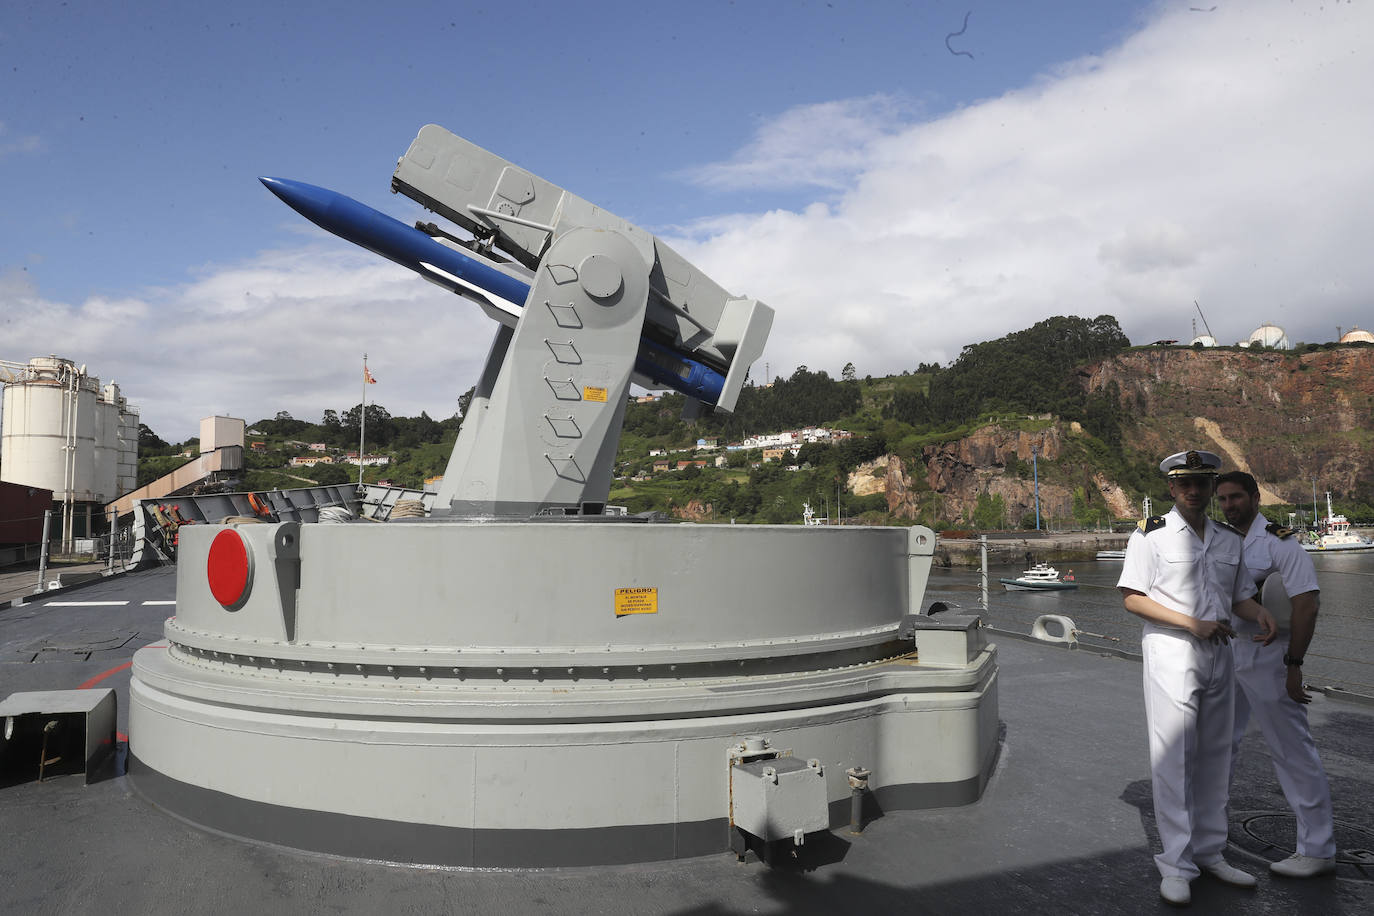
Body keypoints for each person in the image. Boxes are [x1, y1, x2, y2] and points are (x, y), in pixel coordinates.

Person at [1118, 449, 1277, 906]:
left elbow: (1240, 597)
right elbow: (1132, 597)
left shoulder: (1229, 540)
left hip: (1218, 652)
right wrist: (1191, 623)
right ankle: (1176, 862)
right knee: (1174, 757)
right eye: (1184, 483)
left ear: (1211, 488)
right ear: (1171, 488)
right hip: (1172, 651)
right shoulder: (1150, 535)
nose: (1194, 491)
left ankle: (1210, 851)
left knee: (1217, 753)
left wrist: (1260, 611)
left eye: (1201, 483)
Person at [1216, 471, 1336, 878]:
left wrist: (1294, 665)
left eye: (1236, 497)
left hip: (1271, 656)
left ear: (1254, 497)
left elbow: (1307, 605)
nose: (1229, 505)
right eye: (1223, 500)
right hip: (1229, 650)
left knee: (1291, 750)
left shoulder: (1281, 542)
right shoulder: (1221, 539)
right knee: (1220, 745)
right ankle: (1211, 835)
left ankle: (1317, 849)